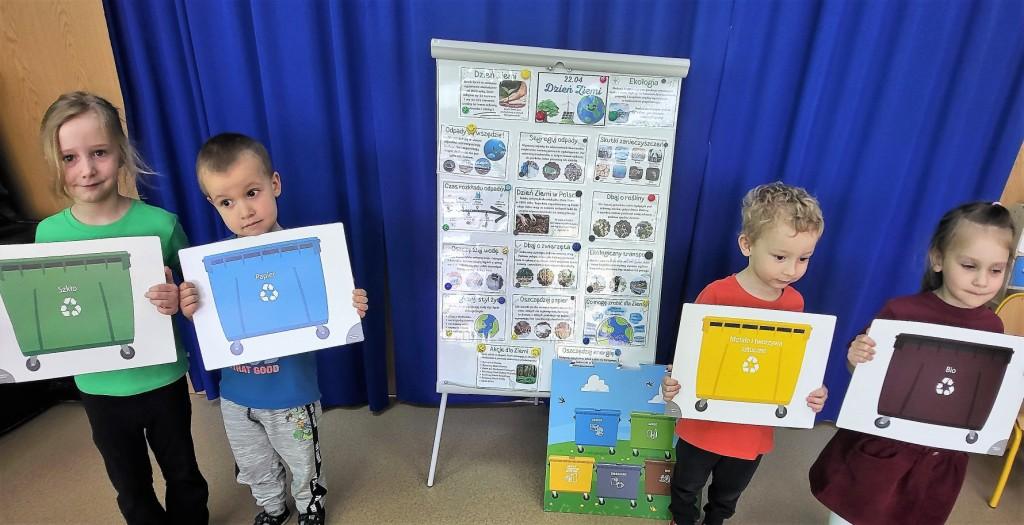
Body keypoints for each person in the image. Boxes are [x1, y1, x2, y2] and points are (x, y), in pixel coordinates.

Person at [35, 91, 209, 524]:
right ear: (55, 162)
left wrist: (179, 297)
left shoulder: (159, 224)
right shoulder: (48, 235)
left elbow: (195, 291)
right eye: (70, 158)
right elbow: (51, 310)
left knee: (182, 471)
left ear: (121, 153)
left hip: (163, 377)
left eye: (99, 152)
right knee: (130, 484)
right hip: (99, 387)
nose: (87, 169)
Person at [179, 133, 369, 525]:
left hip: (291, 395)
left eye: (252, 193)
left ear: (275, 184)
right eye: (227, 202)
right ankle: (272, 506)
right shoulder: (214, 268)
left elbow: (334, 306)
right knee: (253, 462)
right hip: (237, 396)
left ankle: (309, 506)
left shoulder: (308, 253)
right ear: (213, 204)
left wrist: (350, 307)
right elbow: (211, 325)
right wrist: (192, 308)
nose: (245, 211)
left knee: (302, 459)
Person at [809, 202, 1016, 525]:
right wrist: (857, 357)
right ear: (938, 259)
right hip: (883, 445)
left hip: (937, 456)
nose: (981, 281)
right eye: (969, 265)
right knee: (853, 511)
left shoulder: (993, 327)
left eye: (995, 270)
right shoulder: (902, 312)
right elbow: (862, 374)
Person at [661, 182, 830, 525]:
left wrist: (811, 391)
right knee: (686, 485)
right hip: (704, 424)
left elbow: (792, 362)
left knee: (728, 494)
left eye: (803, 259)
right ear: (747, 244)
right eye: (780, 257)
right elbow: (692, 354)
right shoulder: (717, 295)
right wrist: (674, 379)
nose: (792, 269)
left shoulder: (795, 303)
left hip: (752, 428)